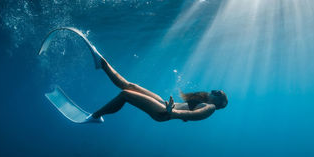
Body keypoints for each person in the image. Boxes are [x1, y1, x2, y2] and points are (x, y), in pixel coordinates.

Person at [87, 55, 228, 123]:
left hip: (163, 113)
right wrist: (176, 111)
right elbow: (189, 113)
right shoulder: (203, 101)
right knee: (130, 86)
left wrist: (174, 112)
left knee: (125, 94)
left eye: (218, 93)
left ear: (220, 102)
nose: (214, 91)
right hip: (164, 105)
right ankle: (103, 64)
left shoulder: (211, 108)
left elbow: (194, 115)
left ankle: (95, 116)